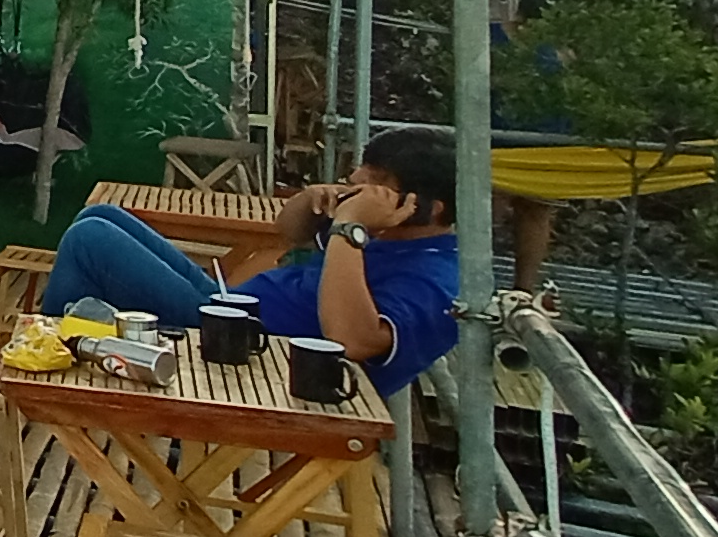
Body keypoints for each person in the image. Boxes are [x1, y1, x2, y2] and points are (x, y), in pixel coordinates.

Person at [33, 128, 463, 392]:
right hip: (230, 308)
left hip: (246, 355)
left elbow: (353, 342)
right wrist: (311, 200)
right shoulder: (387, 233)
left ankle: (43, 367)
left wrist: (348, 229)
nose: (356, 187)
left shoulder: (437, 281)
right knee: (103, 216)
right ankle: (62, 350)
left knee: (91, 240)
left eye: (377, 184)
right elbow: (290, 230)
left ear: (433, 208)